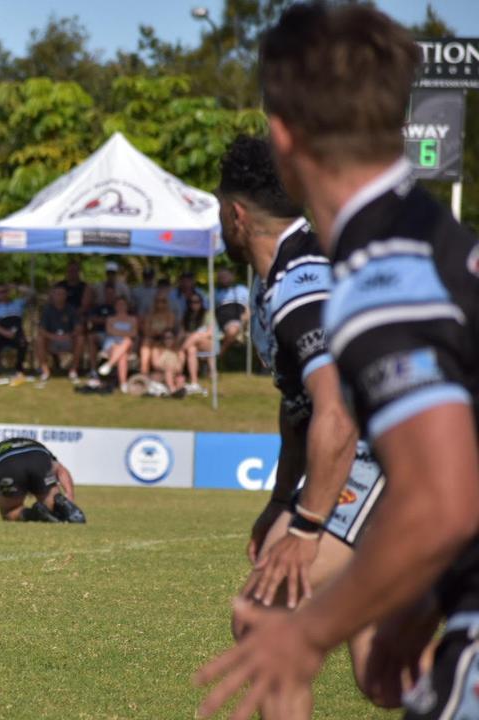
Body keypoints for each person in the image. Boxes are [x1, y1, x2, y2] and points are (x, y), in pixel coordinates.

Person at [196, 6, 479, 719]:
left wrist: (310, 618)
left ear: (284, 135)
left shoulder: (381, 276)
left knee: (272, 622)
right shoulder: (426, 235)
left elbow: (446, 499)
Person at [219, 135, 391, 717]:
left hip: (389, 454)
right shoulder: (281, 281)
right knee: (383, 676)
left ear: (235, 215)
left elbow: (337, 409)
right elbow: (300, 408)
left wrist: (308, 525)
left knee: (263, 616)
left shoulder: (300, 280)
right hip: (389, 453)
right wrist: (279, 501)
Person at [0, 437, 86, 524]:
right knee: (53, 503)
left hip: (8, 462)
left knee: (10, 512)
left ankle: (32, 514)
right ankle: (62, 505)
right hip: (38, 456)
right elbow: (61, 470)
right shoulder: (37, 446)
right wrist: (69, 495)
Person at [34, 285, 82, 381]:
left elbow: (78, 328)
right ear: (52, 295)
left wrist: (69, 335)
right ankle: (45, 371)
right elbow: (41, 329)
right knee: (39, 339)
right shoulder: (47, 310)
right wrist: (53, 336)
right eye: (57, 294)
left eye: (62, 294)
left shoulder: (71, 309)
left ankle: (73, 370)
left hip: (68, 340)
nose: (59, 296)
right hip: (52, 340)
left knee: (80, 339)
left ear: (66, 295)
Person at [0, 283, 29, 378]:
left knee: (23, 343)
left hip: (17, 333)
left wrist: (16, 287)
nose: (2, 294)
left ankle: (19, 369)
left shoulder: (17, 304)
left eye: (4, 291)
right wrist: (7, 333)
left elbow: (32, 294)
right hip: (2, 334)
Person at [95, 296, 137, 386]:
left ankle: (109, 364)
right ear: (115, 306)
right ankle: (123, 383)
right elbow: (109, 331)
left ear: (127, 306)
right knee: (123, 355)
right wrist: (125, 333)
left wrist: (117, 332)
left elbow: (133, 333)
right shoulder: (111, 319)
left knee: (127, 341)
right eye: (119, 304)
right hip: (112, 344)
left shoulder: (132, 319)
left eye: (123, 304)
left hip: (127, 345)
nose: (121, 306)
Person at [179, 292, 213, 394]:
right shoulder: (186, 316)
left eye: (197, 302)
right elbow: (182, 332)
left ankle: (179, 355)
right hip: (192, 344)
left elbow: (209, 333)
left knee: (195, 336)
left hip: (207, 343)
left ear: (201, 302)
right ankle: (194, 382)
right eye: (192, 302)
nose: (194, 304)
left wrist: (194, 336)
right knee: (191, 349)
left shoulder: (208, 314)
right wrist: (191, 336)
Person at [138, 293, 178, 376]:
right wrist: (155, 333)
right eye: (158, 301)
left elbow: (169, 330)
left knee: (157, 345)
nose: (160, 303)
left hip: (166, 340)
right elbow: (146, 330)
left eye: (163, 301)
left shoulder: (170, 315)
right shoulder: (150, 315)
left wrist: (157, 332)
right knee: (145, 347)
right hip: (152, 339)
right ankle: (144, 373)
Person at [213, 267, 250, 354]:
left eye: (226, 276)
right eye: (222, 277)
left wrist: (247, 316)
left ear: (232, 277)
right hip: (226, 319)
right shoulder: (216, 292)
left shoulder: (242, 289)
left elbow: (249, 306)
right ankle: (219, 354)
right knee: (232, 330)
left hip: (243, 317)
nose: (224, 279)